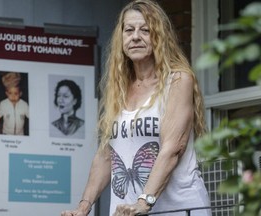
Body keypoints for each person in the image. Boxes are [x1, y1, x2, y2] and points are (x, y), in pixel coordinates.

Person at [61, 0, 211, 215]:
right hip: (128, 211)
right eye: (129, 30)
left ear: (159, 36)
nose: (136, 37)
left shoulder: (177, 80)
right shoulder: (119, 89)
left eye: (146, 30)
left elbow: (172, 149)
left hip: (178, 208)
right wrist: (83, 207)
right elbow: (106, 155)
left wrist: (144, 202)